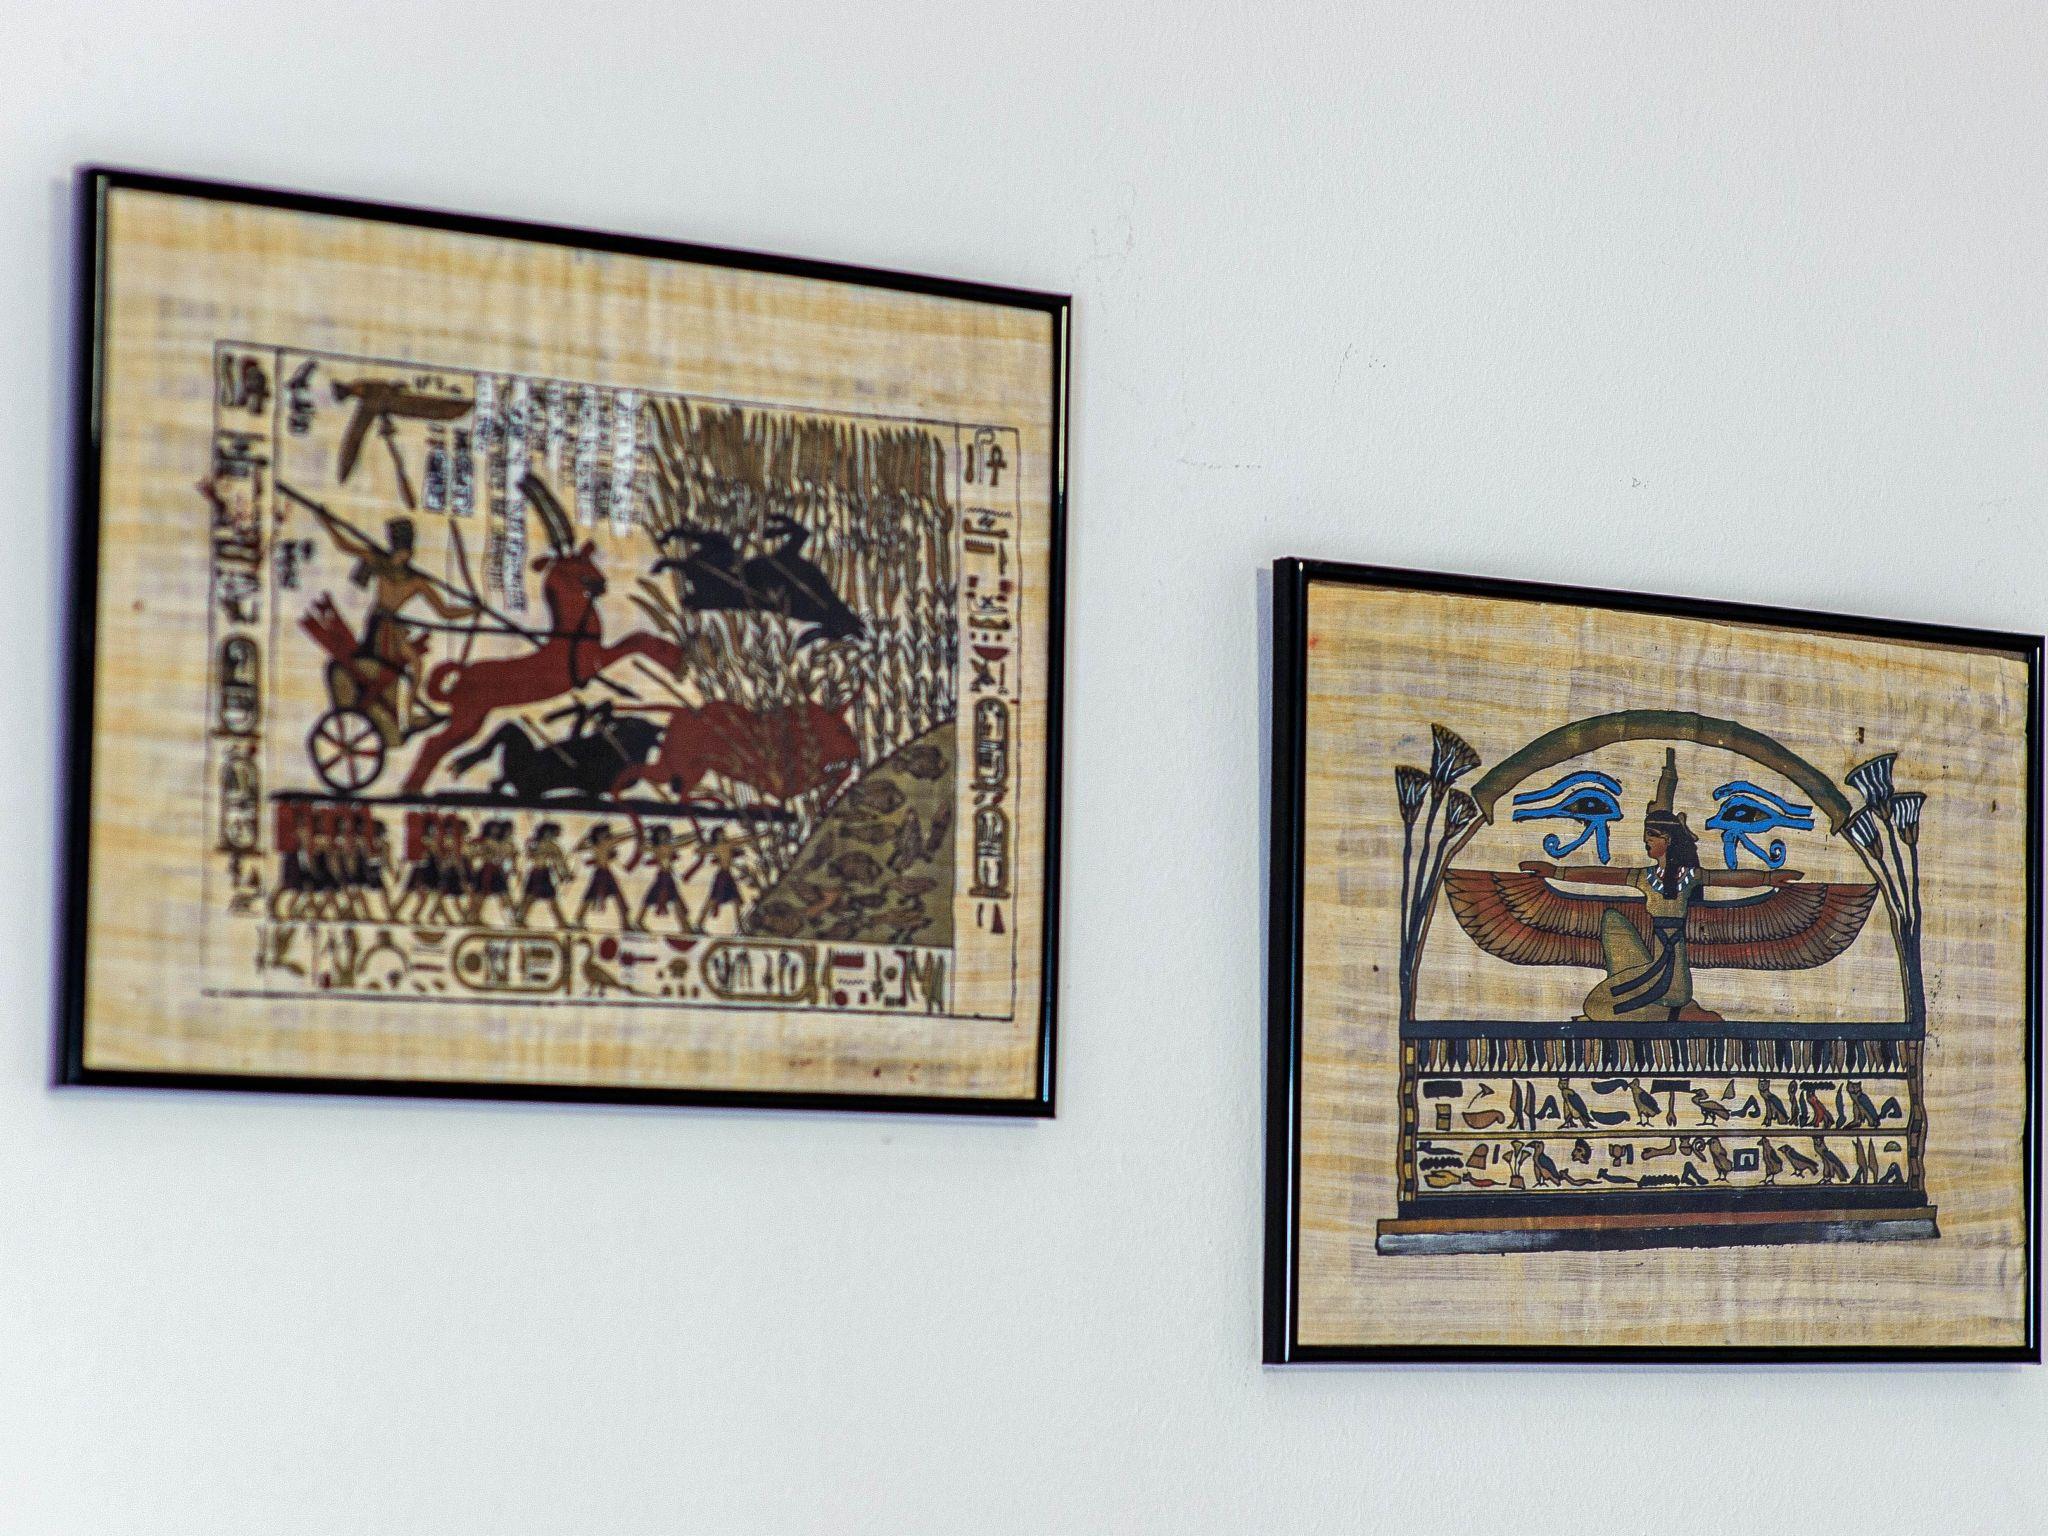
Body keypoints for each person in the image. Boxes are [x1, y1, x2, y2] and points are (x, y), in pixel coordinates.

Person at [1519, 751, 1800, 1022]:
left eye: (1652, 836)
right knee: (1612, 921)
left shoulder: (1688, 877)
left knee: (1596, 1006)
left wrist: (1768, 879)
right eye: (1647, 837)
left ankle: (1675, 1014)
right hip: (1652, 967)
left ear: (1669, 839)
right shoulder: (1646, 876)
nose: (1646, 842)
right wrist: (1556, 872)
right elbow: (1604, 875)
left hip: (1672, 978)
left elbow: (1728, 878)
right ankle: (1670, 1013)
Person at [308, 509, 476, 732]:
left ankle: (410, 713)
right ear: (399, 548)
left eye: (408, 551)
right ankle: (404, 714)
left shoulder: (416, 581)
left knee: (414, 663)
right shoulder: (380, 563)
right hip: (379, 626)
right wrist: (326, 522)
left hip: (392, 627)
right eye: (404, 550)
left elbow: (445, 612)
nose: (407, 555)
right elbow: (344, 545)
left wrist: (471, 610)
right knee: (402, 667)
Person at [515, 823, 572, 929]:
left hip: (541, 873)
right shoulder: (541, 845)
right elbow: (529, 855)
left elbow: (559, 862)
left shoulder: (551, 846)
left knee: (537, 898)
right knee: (533, 898)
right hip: (539, 873)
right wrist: (565, 874)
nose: (558, 833)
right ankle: (561, 923)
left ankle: (521, 919)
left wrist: (565, 874)